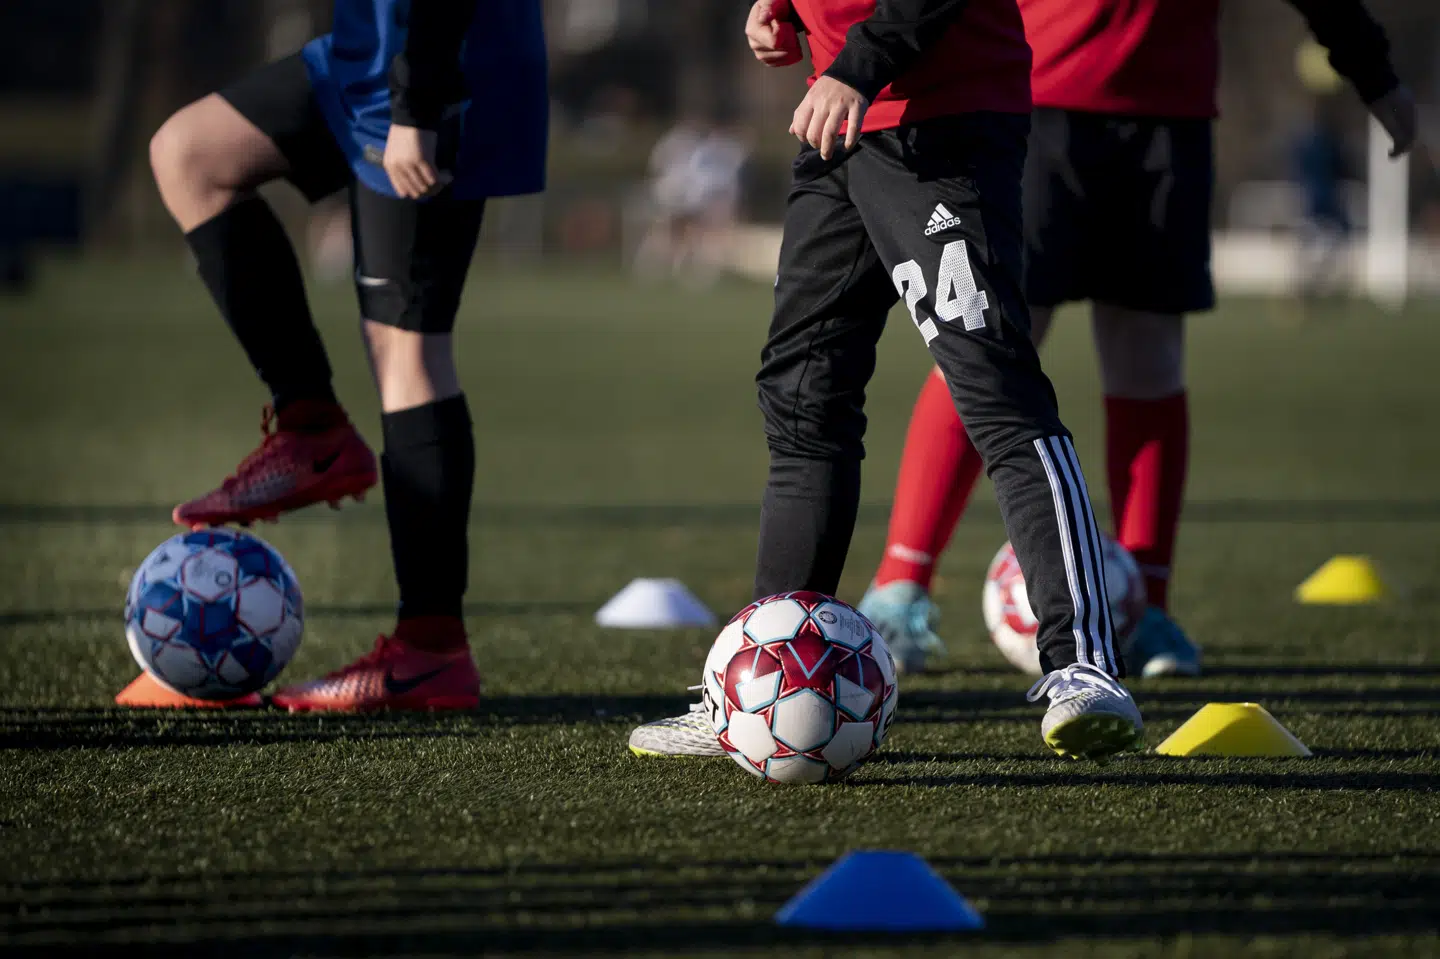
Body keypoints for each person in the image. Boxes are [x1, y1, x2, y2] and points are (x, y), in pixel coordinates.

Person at [632, 0, 1144, 762]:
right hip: (841, 123)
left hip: (941, 124)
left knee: (995, 387)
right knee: (804, 396)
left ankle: (1084, 666)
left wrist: (858, 64)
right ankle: (753, 683)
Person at [856, 0, 1416, 677]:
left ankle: (1146, 607)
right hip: (1031, 99)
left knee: (1147, 355)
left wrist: (1373, 71)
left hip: (1166, 116)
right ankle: (899, 588)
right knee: (988, 347)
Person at [115, 0, 548, 711]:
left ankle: (431, 650)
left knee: (408, 352)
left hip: (434, 67)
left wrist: (419, 101)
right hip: (365, 54)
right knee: (189, 153)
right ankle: (309, 425)